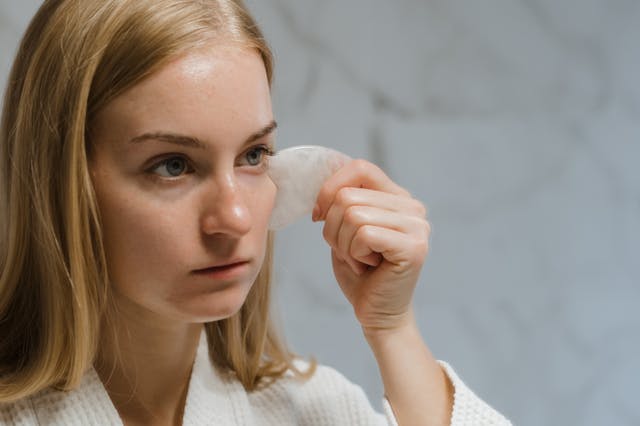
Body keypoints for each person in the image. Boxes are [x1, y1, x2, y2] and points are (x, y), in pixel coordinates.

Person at [0, 1, 511, 425]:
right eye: (173, 165)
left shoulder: (313, 410)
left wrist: (392, 328)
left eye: (253, 155)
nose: (237, 217)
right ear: (61, 182)